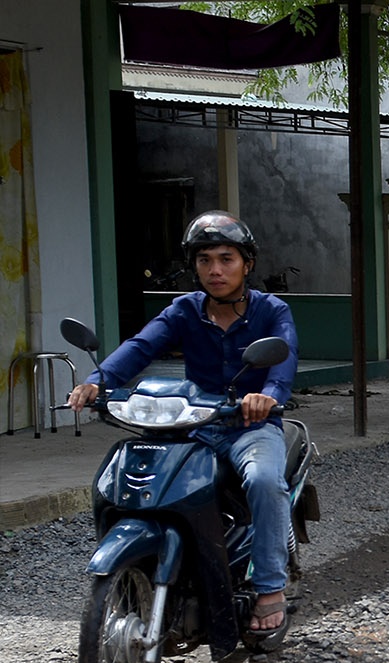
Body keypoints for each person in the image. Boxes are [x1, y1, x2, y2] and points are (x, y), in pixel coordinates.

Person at [68, 211, 299, 634]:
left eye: (226, 259)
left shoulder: (271, 311)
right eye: (204, 260)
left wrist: (268, 397)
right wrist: (98, 382)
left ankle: (270, 588)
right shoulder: (184, 310)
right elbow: (141, 346)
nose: (215, 270)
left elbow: (283, 361)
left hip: (250, 426)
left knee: (265, 480)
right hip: (196, 426)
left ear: (247, 264)